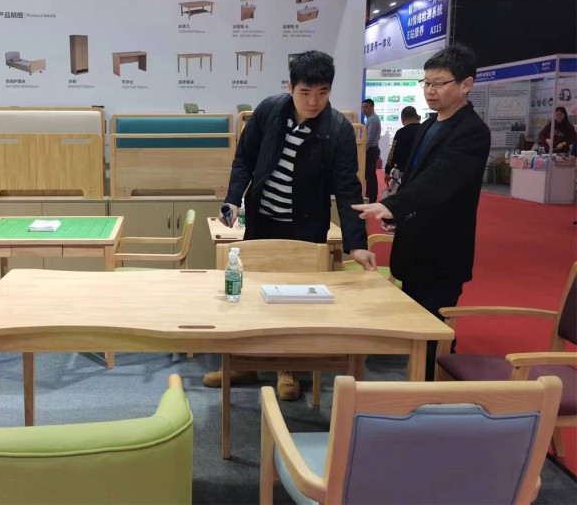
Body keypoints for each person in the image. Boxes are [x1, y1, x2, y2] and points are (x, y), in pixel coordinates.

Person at [204, 50, 376, 401]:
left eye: (322, 93)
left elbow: (348, 188)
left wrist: (357, 244)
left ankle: (287, 368)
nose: (313, 102)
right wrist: (233, 200)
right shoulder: (269, 111)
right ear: (290, 87)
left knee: (293, 300)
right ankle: (244, 363)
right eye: (305, 92)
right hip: (263, 219)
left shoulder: (337, 129)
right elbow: (244, 159)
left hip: (305, 227)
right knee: (249, 294)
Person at [352, 44, 491, 381]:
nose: (430, 90)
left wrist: (392, 205)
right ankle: (419, 387)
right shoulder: (429, 125)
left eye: (439, 83)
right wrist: (399, 216)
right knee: (415, 328)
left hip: (443, 251)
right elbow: (414, 179)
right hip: (415, 246)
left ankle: (436, 395)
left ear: (466, 84)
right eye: (426, 83)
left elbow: (439, 181)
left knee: (434, 334)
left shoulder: (472, 131)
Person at [383, 106, 423, 195]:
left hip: (403, 172)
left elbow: (392, 153)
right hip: (420, 171)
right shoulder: (424, 130)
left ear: (402, 118)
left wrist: (387, 170)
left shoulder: (400, 132)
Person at [361, 98, 381, 203]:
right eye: (362, 107)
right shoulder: (370, 119)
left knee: (370, 175)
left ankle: (371, 197)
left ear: (372, 107)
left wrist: (362, 151)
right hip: (371, 149)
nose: (364, 109)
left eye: (366, 107)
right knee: (370, 174)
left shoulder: (372, 119)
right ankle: (371, 196)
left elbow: (369, 138)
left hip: (371, 150)